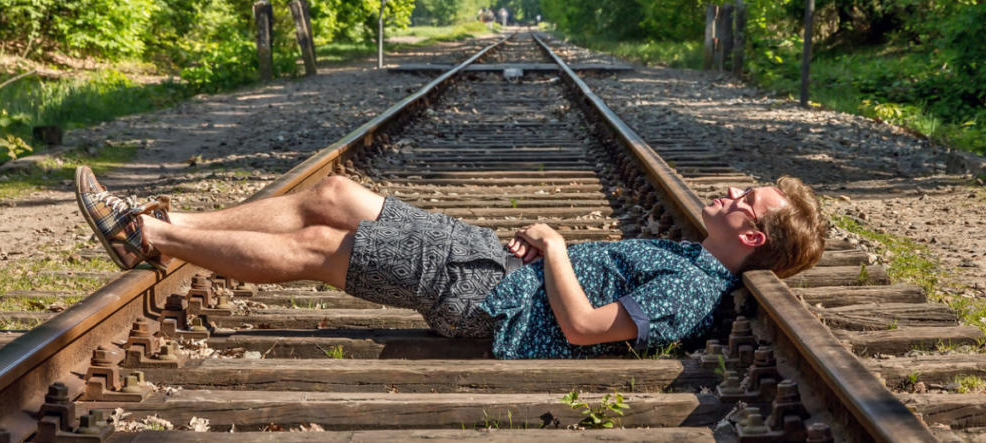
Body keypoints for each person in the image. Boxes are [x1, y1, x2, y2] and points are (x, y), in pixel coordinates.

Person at [74, 166, 824, 359]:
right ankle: (165, 223)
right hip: (495, 268)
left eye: (743, 197)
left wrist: (557, 245)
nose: (728, 191)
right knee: (334, 195)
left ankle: (152, 235)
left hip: (489, 294)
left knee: (320, 250)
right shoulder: (692, 259)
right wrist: (547, 246)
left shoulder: (697, 287)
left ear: (753, 235)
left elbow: (591, 325)